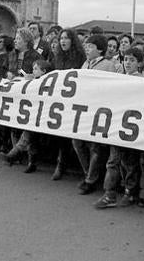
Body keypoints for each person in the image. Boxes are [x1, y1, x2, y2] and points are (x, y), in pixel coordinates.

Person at [94, 47, 144, 209]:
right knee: (114, 160)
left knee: (129, 162)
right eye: (126, 60)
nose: (128, 63)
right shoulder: (120, 79)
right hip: (118, 124)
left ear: (138, 63)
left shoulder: (143, 81)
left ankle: (130, 191)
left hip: (132, 126)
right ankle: (110, 193)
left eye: (132, 60)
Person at [73, 34, 115, 195]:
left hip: (98, 110)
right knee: (77, 142)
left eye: (90, 46)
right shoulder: (85, 64)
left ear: (100, 49)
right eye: (86, 46)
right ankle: (87, 173)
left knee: (95, 147)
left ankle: (91, 179)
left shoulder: (107, 65)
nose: (87, 49)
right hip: (84, 109)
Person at [0, 59, 52, 173]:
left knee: (29, 133)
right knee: (29, 134)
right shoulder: (34, 80)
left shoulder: (47, 83)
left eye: (36, 69)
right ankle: (29, 161)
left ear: (44, 71)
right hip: (31, 114)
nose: (33, 71)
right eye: (33, 69)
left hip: (42, 116)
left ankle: (14, 154)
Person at [49, 28, 86, 180]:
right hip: (59, 100)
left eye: (66, 38)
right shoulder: (57, 56)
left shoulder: (80, 57)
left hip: (73, 101)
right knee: (59, 134)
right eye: (61, 38)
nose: (63, 41)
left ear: (73, 40)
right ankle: (60, 162)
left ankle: (63, 163)